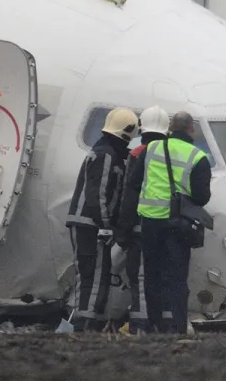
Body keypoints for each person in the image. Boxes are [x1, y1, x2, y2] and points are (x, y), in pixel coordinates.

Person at [124, 111, 212, 333]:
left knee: (152, 276)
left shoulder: (151, 149)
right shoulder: (198, 156)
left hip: (150, 222)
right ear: (191, 128)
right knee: (177, 278)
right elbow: (202, 197)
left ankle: (154, 325)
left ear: (170, 128)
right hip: (178, 224)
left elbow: (134, 183)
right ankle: (177, 327)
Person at [64, 107, 137, 331]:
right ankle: (84, 326)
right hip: (91, 225)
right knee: (93, 277)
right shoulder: (106, 155)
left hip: (89, 223)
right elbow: (99, 193)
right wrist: (105, 225)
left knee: (96, 274)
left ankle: (88, 322)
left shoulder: (105, 151)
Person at [115, 105, 170, 333]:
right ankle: (165, 325)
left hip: (141, 228)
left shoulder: (138, 154)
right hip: (168, 227)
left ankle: (140, 326)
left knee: (140, 278)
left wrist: (122, 230)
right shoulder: (173, 153)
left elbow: (130, 192)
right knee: (165, 279)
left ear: (141, 129)